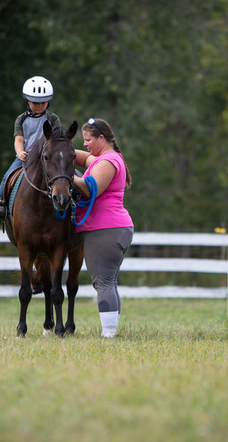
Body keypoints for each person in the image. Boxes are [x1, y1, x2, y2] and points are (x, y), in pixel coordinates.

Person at [73, 118, 134, 338]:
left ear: (102, 138)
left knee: (104, 282)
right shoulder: (103, 159)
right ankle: (111, 331)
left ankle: (108, 335)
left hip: (105, 229)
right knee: (109, 281)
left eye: (89, 140)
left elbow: (91, 189)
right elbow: (82, 157)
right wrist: (60, 152)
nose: (86, 144)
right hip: (113, 228)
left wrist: (63, 176)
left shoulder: (108, 162)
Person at [0, 76, 61, 223]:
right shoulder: (21, 119)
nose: (39, 106)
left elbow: (57, 139)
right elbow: (18, 140)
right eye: (35, 102)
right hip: (27, 155)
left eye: (43, 102)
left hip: (48, 155)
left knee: (64, 172)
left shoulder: (53, 119)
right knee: (8, 175)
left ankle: (73, 199)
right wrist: (20, 152)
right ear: (27, 101)